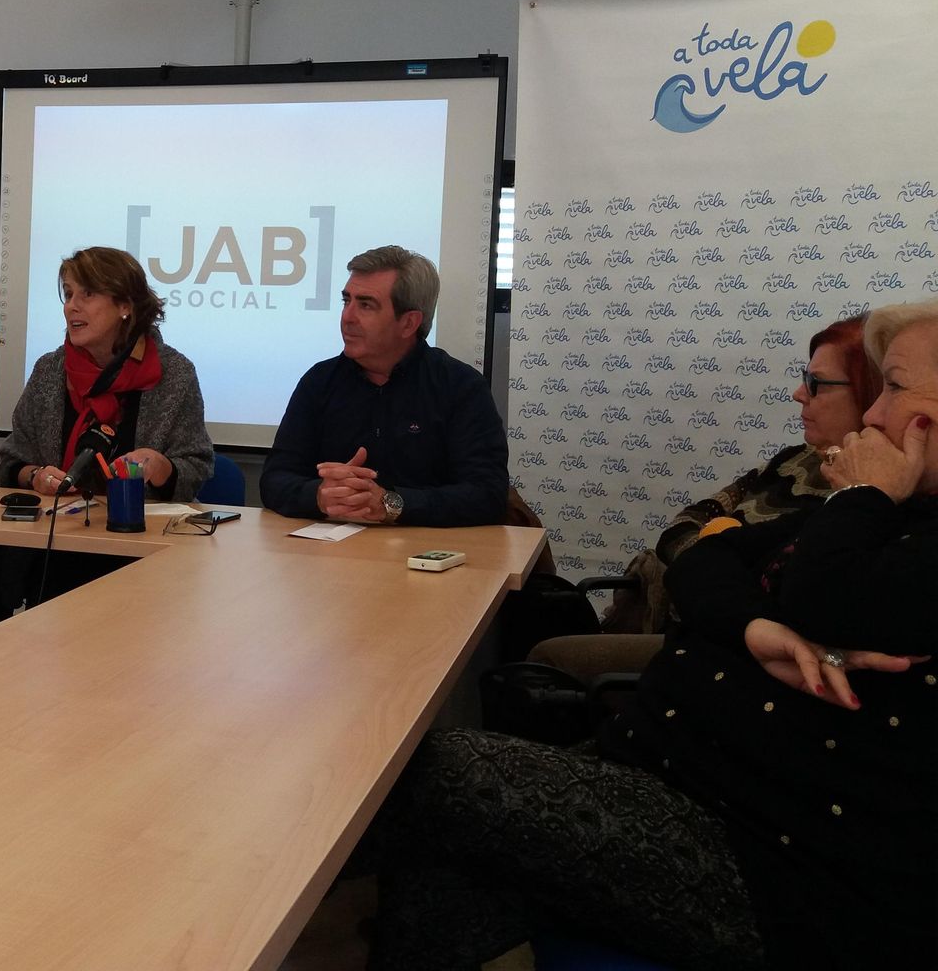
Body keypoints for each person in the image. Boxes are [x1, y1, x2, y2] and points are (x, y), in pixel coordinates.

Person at [366, 299, 938, 970]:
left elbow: (828, 601)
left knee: (430, 771)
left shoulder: (874, 512)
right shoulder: (890, 512)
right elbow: (702, 558)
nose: (874, 414)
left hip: (765, 864)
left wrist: (861, 498)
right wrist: (755, 626)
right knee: (450, 863)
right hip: (663, 766)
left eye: (894, 387)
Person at [536, 314, 882, 670]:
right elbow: (682, 526)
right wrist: (717, 557)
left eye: (815, 383)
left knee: (546, 659)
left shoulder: (861, 500)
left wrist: (717, 554)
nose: (798, 394)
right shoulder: (793, 460)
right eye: (803, 378)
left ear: (871, 392)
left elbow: (779, 592)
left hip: (732, 655)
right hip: (699, 629)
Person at [0, 246, 213, 628]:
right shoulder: (50, 370)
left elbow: (196, 465)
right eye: (69, 294)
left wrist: (160, 467)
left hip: (142, 554)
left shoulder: (174, 374)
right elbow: (13, 459)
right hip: (59, 548)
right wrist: (35, 476)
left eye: (87, 294)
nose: (72, 306)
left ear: (125, 305)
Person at [259, 245, 507, 526]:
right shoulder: (319, 381)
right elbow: (274, 479)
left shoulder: (460, 387)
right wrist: (319, 495)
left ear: (409, 323)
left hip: (428, 547)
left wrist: (391, 503)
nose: (347, 317)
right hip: (332, 547)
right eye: (346, 301)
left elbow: (487, 494)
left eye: (366, 305)